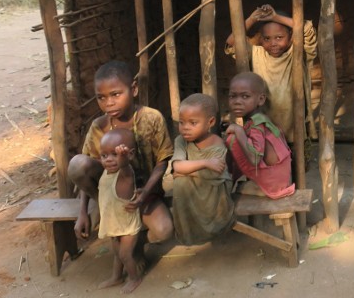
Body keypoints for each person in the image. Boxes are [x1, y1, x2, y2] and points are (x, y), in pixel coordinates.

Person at [68, 60, 174, 245]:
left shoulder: (151, 118)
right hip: (110, 192)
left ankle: (134, 244)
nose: (109, 103)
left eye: (116, 94)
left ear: (133, 90)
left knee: (164, 231)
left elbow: (162, 162)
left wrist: (145, 192)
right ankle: (104, 206)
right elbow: (89, 162)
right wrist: (82, 212)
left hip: (144, 191)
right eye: (101, 97)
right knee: (77, 164)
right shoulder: (98, 127)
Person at [224, 5, 317, 145]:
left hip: (293, 129)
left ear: (291, 37)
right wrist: (252, 19)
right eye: (267, 38)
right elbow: (231, 43)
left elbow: (307, 30)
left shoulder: (298, 52)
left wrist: (275, 17)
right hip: (264, 130)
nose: (273, 43)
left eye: (279, 37)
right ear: (261, 39)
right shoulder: (256, 53)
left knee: (296, 162)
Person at [165, 93, 235, 245]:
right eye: (182, 122)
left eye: (193, 123)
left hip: (215, 193)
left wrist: (186, 171)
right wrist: (205, 163)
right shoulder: (181, 141)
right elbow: (177, 166)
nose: (185, 128)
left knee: (182, 180)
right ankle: (189, 234)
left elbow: (213, 176)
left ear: (210, 122)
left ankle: (211, 228)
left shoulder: (217, 143)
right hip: (195, 188)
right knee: (180, 184)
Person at [224, 72, 295, 199]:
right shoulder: (260, 119)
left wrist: (239, 131)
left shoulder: (257, 125)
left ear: (261, 99)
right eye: (232, 96)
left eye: (245, 96)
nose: (237, 102)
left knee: (232, 139)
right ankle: (230, 180)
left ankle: (230, 181)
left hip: (275, 183)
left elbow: (255, 159)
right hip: (280, 178)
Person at [95, 128, 144, 293]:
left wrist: (123, 159)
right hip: (114, 224)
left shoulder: (125, 175)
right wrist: (118, 157)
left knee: (124, 255)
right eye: (104, 155)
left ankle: (134, 278)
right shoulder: (106, 172)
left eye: (114, 155)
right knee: (116, 253)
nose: (109, 160)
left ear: (129, 155)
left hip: (128, 226)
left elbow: (125, 167)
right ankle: (116, 277)